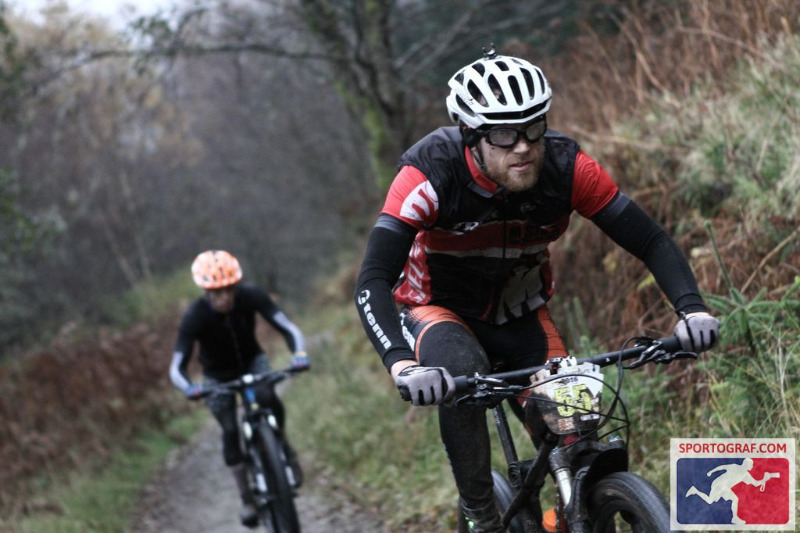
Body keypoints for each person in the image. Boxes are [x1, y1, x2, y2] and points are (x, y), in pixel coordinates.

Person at [353, 47, 720, 532]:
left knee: (579, 432)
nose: (523, 146)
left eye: (533, 127)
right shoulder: (428, 173)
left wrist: (690, 311)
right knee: (460, 372)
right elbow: (373, 279)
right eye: (504, 134)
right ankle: (481, 514)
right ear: (471, 134)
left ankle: (580, 507)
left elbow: (649, 239)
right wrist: (401, 363)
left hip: (522, 315)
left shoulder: (567, 168)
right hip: (438, 312)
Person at [170, 249, 310, 527]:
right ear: (206, 292)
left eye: (230, 290)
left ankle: (282, 447)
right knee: (230, 429)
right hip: (217, 376)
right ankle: (247, 497)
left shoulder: (251, 296)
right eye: (218, 292)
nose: (226, 297)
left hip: (252, 361)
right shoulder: (194, 317)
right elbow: (176, 366)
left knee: (269, 397)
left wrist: (299, 353)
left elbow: (287, 327)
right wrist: (188, 388)